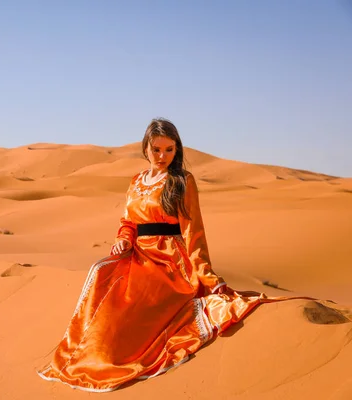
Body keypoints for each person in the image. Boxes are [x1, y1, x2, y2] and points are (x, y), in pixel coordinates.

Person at [37, 118, 290, 392]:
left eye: (169, 149)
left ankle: (118, 358)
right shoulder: (136, 181)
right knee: (101, 275)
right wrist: (123, 240)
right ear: (145, 147)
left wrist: (207, 276)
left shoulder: (182, 181)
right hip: (137, 254)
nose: (162, 156)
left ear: (176, 149)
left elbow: (194, 232)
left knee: (139, 303)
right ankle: (85, 355)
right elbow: (128, 222)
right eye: (156, 149)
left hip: (170, 261)